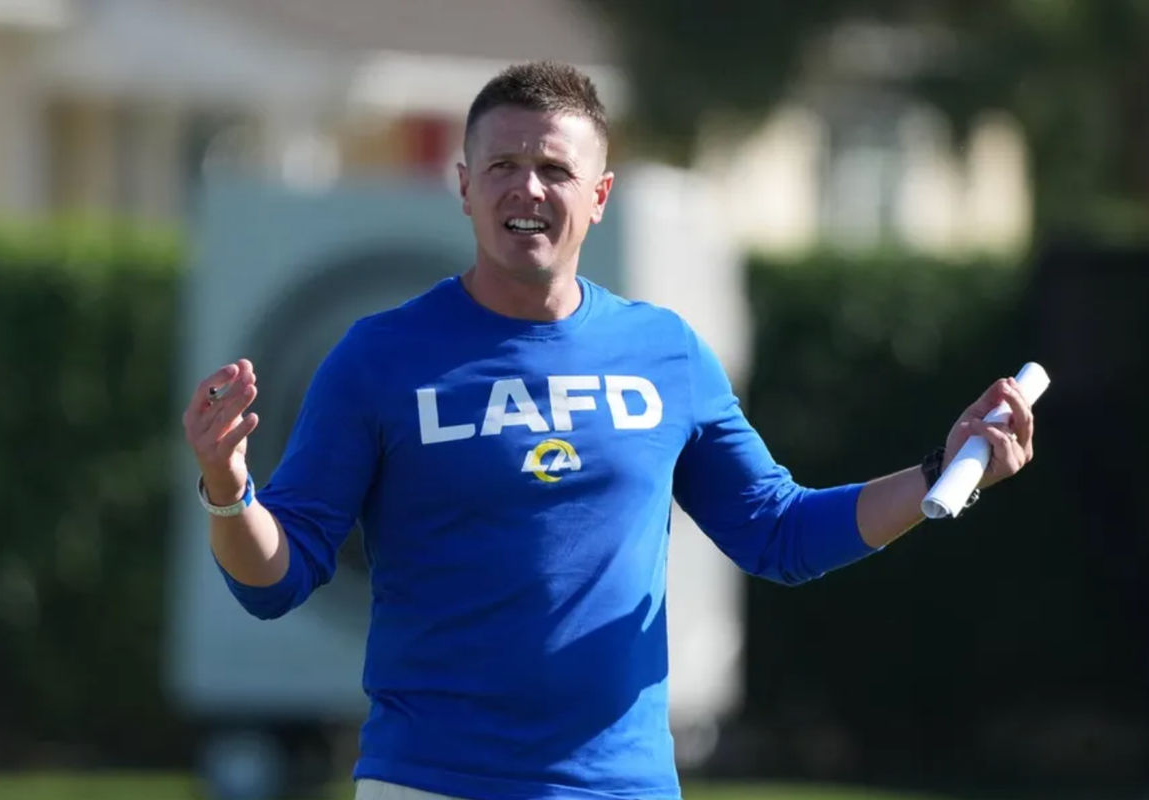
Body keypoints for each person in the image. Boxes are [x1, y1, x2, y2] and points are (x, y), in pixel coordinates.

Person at [181, 61, 1036, 800]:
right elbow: (275, 579)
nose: (528, 188)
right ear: (465, 184)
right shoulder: (378, 357)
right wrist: (227, 487)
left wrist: (938, 472)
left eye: (554, 168)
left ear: (599, 195)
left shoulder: (665, 352)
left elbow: (779, 533)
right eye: (504, 165)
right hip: (431, 779)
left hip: (620, 783)